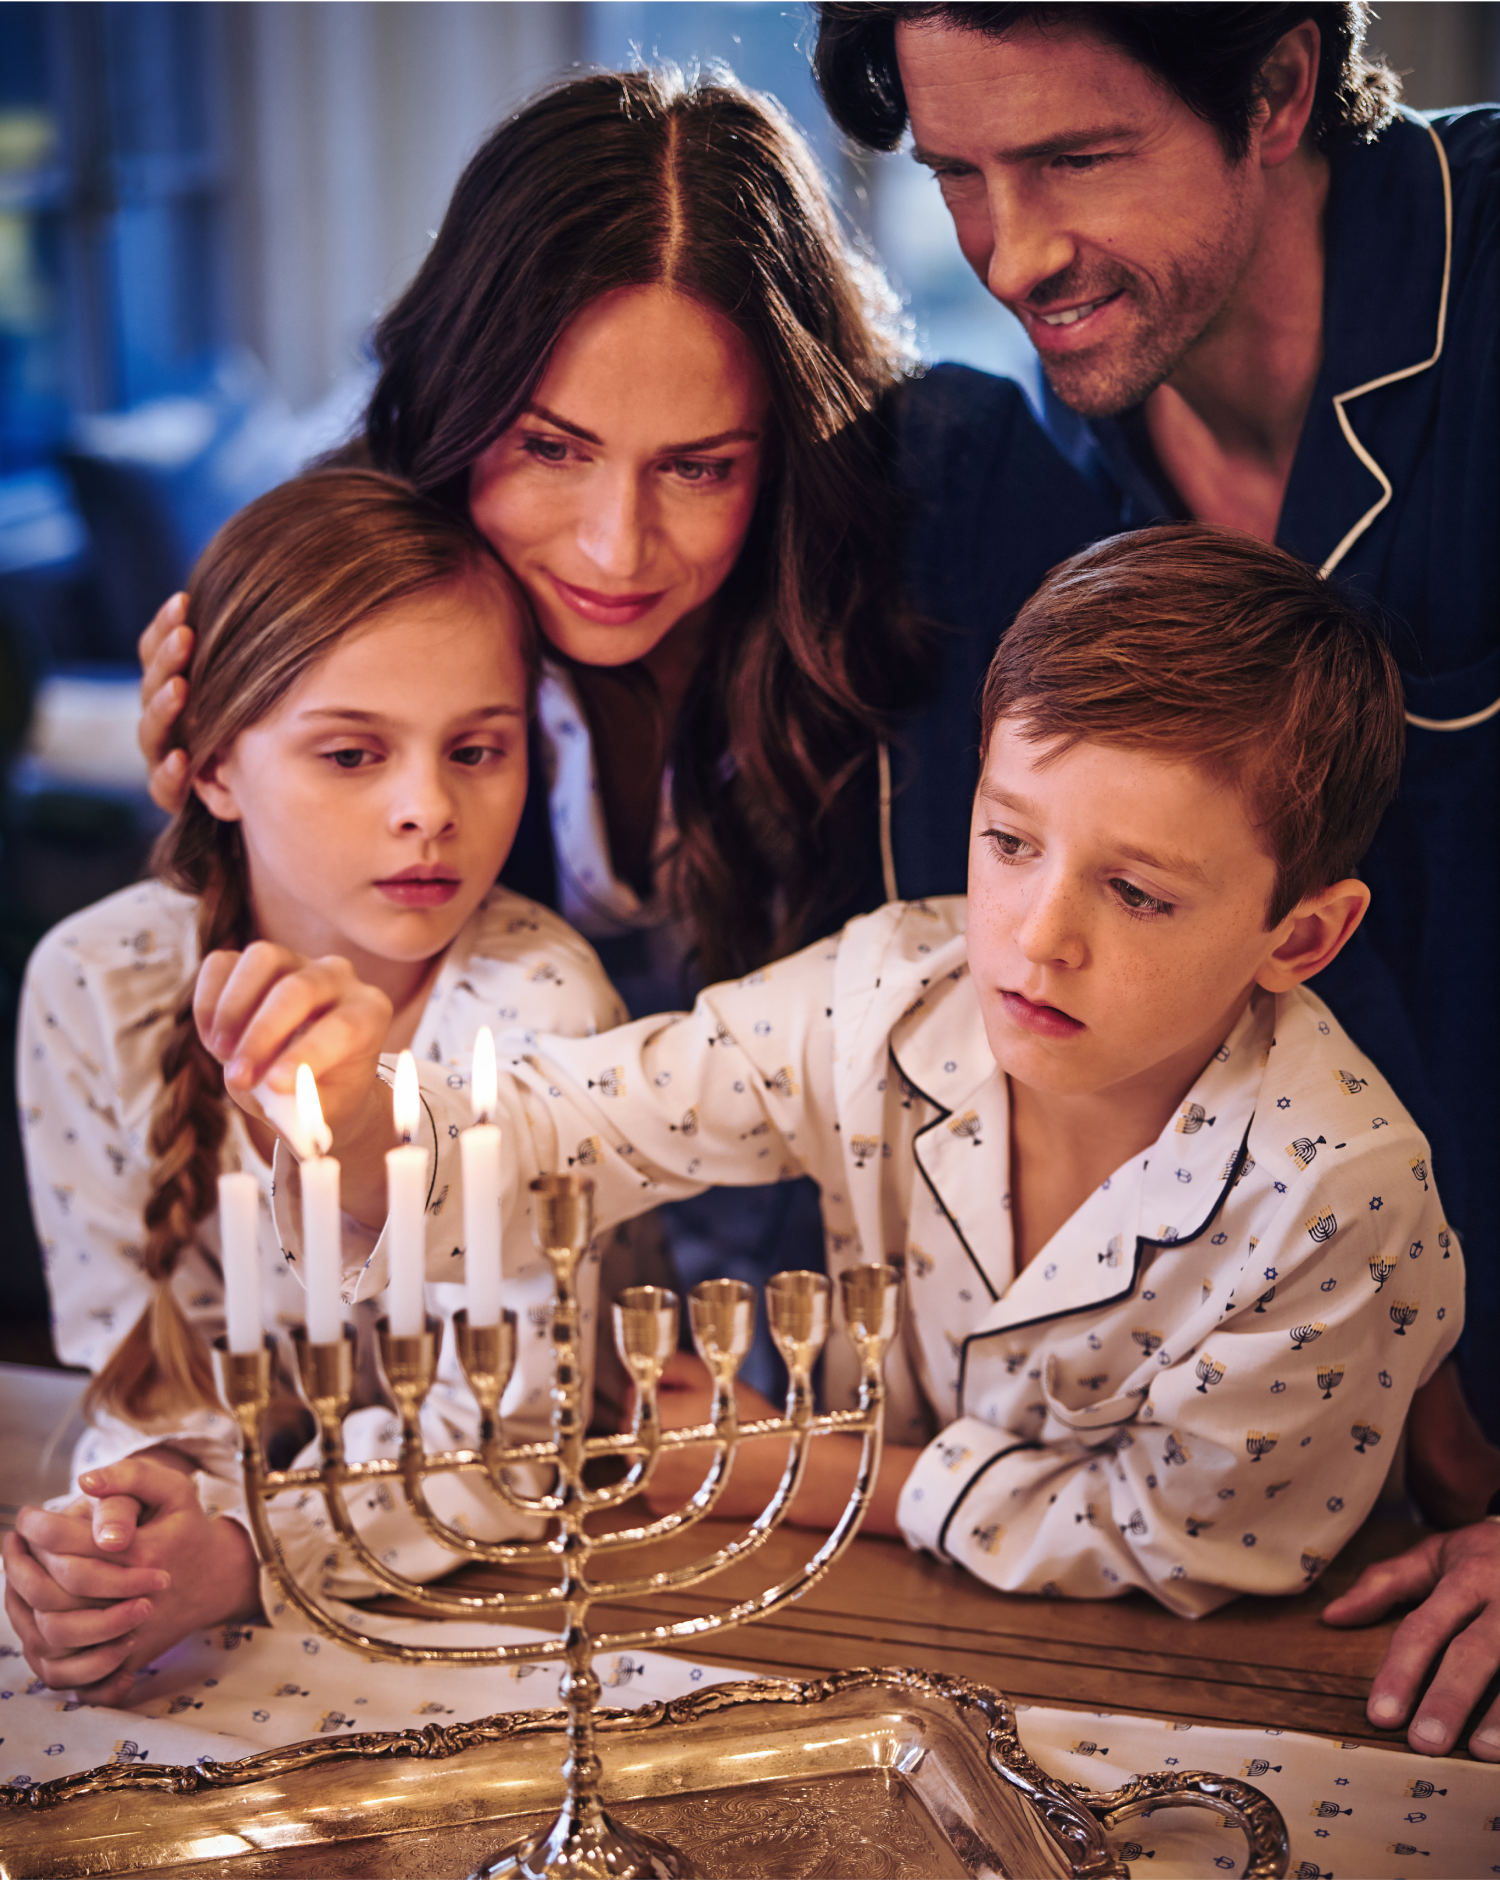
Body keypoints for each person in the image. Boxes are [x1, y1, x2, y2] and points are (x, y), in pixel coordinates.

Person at [257, 524, 1462, 1619]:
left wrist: (794, 1463)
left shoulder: (1335, 1190)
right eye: (1009, 841)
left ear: (1301, 935)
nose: (1039, 936)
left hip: (1214, 1677)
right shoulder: (892, 986)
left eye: (1138, 892)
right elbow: (573, 1124)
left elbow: (1189, 1538)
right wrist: (354, 1110)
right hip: (857, 1614)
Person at [132, 64, 1114, 1395]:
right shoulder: (368, 573)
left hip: (901, 1367)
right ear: (457, 401)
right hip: (520, 1368)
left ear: (791, 440)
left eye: (700, 467)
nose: (615, 546)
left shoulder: (951, 505)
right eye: (549, 447)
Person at [813, 0, 1500, 1758]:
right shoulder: (1018, 468)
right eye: (960, 172)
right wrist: (277, 639)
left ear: (1277, 86)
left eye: (1073, 160)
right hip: (1283, 1527)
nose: (1011, 249)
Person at [4, 469, 627, 1706]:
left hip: (495, 1608)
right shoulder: (96, 981)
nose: (426, 810)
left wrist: (243, 1556)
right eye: (351, 752)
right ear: (213, 765)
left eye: (477, 749)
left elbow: (507, 1437)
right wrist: (137, 1531)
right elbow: (138, 1370)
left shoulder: (541, 1010)